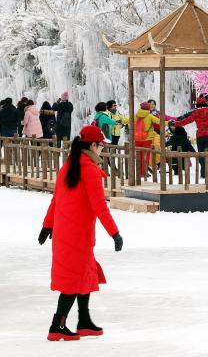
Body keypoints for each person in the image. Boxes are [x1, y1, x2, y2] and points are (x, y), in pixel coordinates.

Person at [38, 125, 123, 341]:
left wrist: (48, 226)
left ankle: (84, 320)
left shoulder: (69, 166)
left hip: (67, 232)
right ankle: (57, 326)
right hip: (78, 235)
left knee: (85, 274)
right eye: (101, 145)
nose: (103, 149)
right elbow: (99, 206)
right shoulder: (90, 170)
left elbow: (56, 199)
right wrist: (114, 233)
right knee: (73, 280)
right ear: (93, 145)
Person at [133, 101, 160, 178]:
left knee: (138, 156)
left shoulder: (136, 116)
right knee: (146, 156)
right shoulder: (150, 116)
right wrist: (170, 123)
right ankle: (144, 172)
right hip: (147, 139)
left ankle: (138, 172)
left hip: (137, 139)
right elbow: (159, 121)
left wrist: (119, 122)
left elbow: (128, 120)